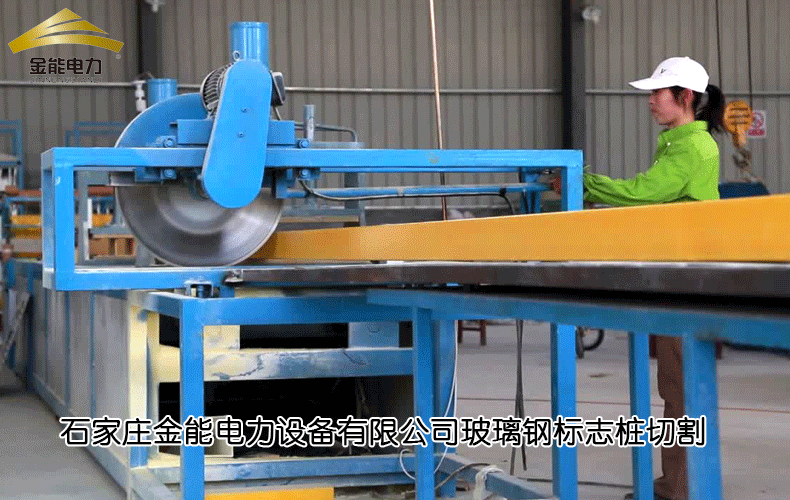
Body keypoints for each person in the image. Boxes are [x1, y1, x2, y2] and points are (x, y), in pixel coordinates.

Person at [554, 56, 725, 500]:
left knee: (680, 387)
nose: (650, 101)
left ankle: (680, 489)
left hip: (685, 279)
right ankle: (677, 485)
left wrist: (584, 183)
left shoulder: (692, 147)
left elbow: (644, 193)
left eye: (657, 93)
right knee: (675, 385)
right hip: (675, 275)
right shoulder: (676, 143)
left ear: (684, 97)